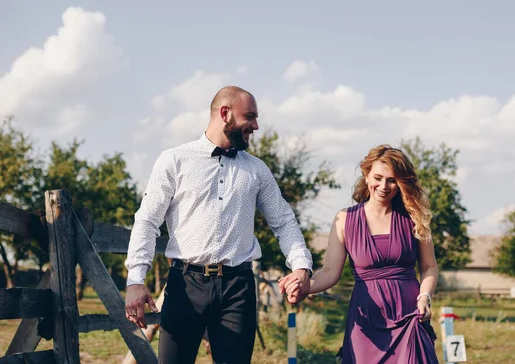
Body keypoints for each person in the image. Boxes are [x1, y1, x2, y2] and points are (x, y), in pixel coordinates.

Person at [124, 86, 313, 364]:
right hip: (185, 284)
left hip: (238, 288)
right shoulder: (174, 160)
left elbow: (284, 221)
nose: (256, 126)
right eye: (249, 117)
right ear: (225, 114)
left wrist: (300, 265)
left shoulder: (257, 170)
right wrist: (135, 279)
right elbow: (147, 221)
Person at [281, 145, 439, 363]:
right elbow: (329, 272)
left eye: (392, 180)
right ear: (366, 176)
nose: (384, 186)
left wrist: (425, 296)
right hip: (366, 321)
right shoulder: (345, 220)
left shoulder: (414, 218)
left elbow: (429, 267)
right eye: (378, 177)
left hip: (409, 316)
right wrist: (304, 287)